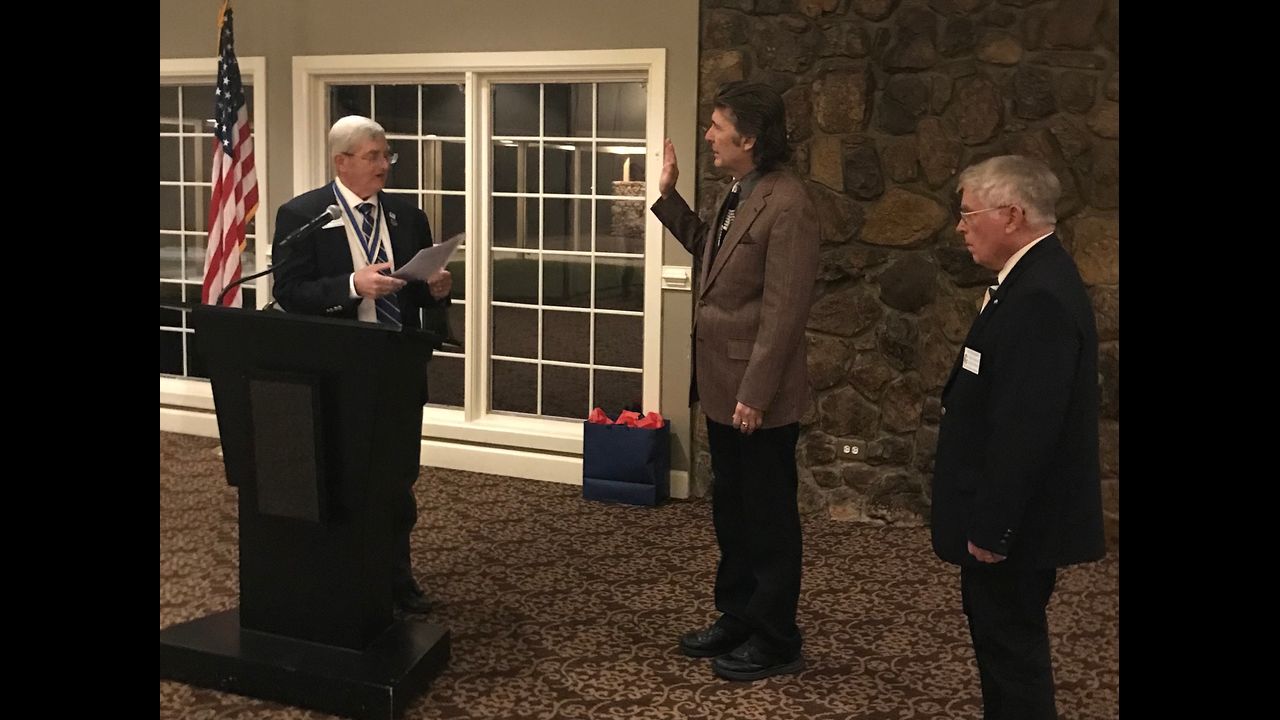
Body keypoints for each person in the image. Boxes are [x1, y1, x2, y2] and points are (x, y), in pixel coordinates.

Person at [651, 82, 819, 681]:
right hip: (723, 386)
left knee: (768, 518)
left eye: (717, 126)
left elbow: (784, 311)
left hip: (756, 396)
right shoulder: (739, 191)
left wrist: (755, 392)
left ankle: (776, 638)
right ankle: (739, 614)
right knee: (733, 511)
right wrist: (668, 197)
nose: (708, 135)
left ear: (749, 138)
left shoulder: (788, 204)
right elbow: (710, 251)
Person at [931, 155, 1106, 719]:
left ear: (1011, 215)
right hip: (1010, 517)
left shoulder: (1040, 296)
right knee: (1001, 644)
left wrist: (993, 527)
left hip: (1017, 526)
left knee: (1012, 651)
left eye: (968, 214)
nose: (960, 227)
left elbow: (1027, 429)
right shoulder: (1030, 278)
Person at [272, 115, 453, 616]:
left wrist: (437, 289)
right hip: (338, 369)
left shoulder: (407, 216)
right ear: (342, 161)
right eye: (373, 156)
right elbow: (289, 291)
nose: (384, 165)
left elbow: (417, 289)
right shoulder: (303, 215)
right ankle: (344, 577)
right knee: (344, 477)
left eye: (386, 155)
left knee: (398, 477)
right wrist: (353, 286)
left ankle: (398, 578)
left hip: (397, 365)